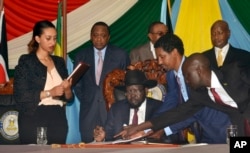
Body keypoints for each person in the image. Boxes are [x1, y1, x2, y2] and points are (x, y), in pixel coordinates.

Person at [115, 53, 250, 139]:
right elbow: (176, 113)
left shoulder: (235, 71)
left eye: (187, 76)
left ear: (199, 70)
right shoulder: (201, 95)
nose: (186, 81)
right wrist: (138, 127)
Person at [146, 33, 232, 144]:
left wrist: (165, 129)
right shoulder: (171, 75)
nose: (159, 62)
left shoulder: (195, 72)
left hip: (220, 128)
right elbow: (170, 103)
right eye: (157, 58)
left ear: (175, 52)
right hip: (200, 131)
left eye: (162, 57)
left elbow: (194, 109)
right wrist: (148, 126)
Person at [13, 20, 73, 144]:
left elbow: (69, 99)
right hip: (34, 116)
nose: (52, 42)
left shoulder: (59, 62)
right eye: (48, 38)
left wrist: (67, 89)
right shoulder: (27, 61)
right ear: (37, 39)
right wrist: (50, 92)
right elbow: (21, 95)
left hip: (58, 117)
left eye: (55, 38)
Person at [74, 21, 130, 143]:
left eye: (103, 35)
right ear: (91, 36)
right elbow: (77, 84)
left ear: (108, 37)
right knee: (88, 147)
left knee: (112, 147)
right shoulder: (81, 55)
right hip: (88, 112)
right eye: (95, 35)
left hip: (112, 111)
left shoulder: (120, 55)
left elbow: (126, 84)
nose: (99, 39)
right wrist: (87, 98)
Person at [93, 69, 161, 142]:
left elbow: (163, 132)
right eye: (129, 91)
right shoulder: (116, 109)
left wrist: (142, 132)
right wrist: (103, 137)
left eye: (136, 90)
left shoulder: (158, 107)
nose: (132, 95)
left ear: (146, 90)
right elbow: (109, 136)